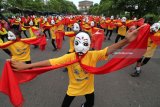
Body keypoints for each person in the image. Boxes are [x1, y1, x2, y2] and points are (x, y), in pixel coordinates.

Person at [11, 24, 146, 107]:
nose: (81, 46)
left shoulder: (93, 55)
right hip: (73, 89)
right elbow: (50, 62)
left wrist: (126, 40)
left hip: (89, 88)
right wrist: (26, 67)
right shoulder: (69, 57)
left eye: (85, 42)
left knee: (90, 103)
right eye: (78, 42)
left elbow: (109, 49)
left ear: (90, 44)